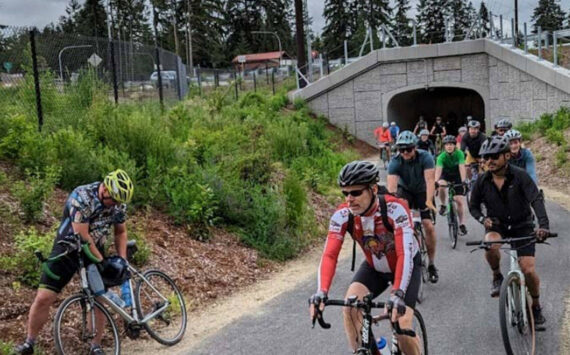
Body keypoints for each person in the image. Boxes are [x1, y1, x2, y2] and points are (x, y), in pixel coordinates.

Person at [14, 169, 135, 355]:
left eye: (119, 203)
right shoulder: (82, 196)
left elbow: (120, 232)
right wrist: (102, 262)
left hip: (95, 248)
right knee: (44, 297)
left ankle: (96, 345)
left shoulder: (118, 204)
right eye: (114, 201)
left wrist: (122, 259)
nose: (116, 206)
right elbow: (83, 236)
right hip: (68, 248)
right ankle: (29, 342)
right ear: (104, 190)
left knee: (99, 296)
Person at [309, 161, 421, 355]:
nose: (349, 199)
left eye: (356, 193)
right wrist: (321, 292)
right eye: (345, 193)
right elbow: (329, 255)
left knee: (401, 325)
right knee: (351, 308)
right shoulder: (343, 215)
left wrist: (398, 294)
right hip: (375, 267)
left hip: (406, 265)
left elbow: (404, 254)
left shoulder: (396, 209)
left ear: (373, 189)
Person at [468, 135, 550, 325]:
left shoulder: (520, 175)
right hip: (498, 226)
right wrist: (482, 219)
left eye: (494, 156)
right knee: (489, 244)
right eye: (486, 157)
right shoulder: (481, 180)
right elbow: (473, 206)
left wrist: (543, 226)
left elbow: (535, 199)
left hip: (523, 226)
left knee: (528, 270)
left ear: (506, 156)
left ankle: (536, 306)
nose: (489, 161)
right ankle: (496, 275)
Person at [387, 131, 439, 283]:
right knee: (401, 225)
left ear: (414, 147)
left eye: (408, 149)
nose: (404, 153)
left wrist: (429, 201)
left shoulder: (425, 157)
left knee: (428, 225)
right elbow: (391, 189)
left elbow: (430, 180)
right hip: (405, 191)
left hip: (423, 190)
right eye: (401, 150)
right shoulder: (395, 161)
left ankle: (431, 264)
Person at [435, 135, 468, 235]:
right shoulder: (441, 156)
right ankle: (443, 205)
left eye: (451, 144)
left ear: (455, 146)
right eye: (447, 145)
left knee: (459, 200)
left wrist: (463, 181)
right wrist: (436, 181)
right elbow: (438, 170)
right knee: (441, 184)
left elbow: (462, 167)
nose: (449, 147)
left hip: (457, 175)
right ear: (444, 146)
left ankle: (462, 224)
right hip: (445, 175)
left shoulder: (459, 154)